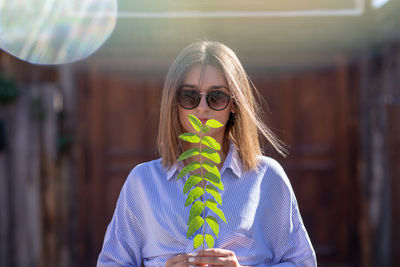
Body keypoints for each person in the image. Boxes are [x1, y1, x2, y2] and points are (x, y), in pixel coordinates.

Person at [97, 41, 317, 266]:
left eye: (216, 96)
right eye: (189, 96)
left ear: (234, 103)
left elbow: (302, 262)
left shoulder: (266, 177)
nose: (202, 107)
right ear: (175, 101)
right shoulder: (143, 182)